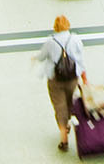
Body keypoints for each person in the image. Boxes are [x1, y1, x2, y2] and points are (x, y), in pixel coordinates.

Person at [35, 15, 86, 152]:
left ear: (55, 27)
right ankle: (68, 120)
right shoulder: (75, 39)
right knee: (69, 103)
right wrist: (84, 78)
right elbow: (80, 60)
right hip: (72, 78)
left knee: (59, 107)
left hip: (55, 79)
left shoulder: (50, 42)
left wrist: (35, 58)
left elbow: (42, 57)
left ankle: (64, 140)